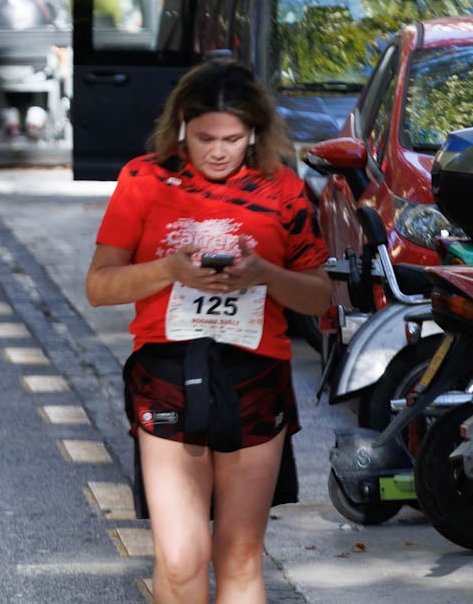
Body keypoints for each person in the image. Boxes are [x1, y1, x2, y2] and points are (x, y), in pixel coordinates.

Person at [85, 59, 331, 604]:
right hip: (168, 373)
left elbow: (320, 296)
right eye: (204, 138)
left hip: (254, 374)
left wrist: (262, 274)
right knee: (179, 557)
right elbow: (99, 287)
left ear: (255, 134)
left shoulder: (283, 190)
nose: (218, 152)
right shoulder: (143, 179)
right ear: (180, 128)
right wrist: (170, 270)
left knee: (240, 555)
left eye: (233, 139)